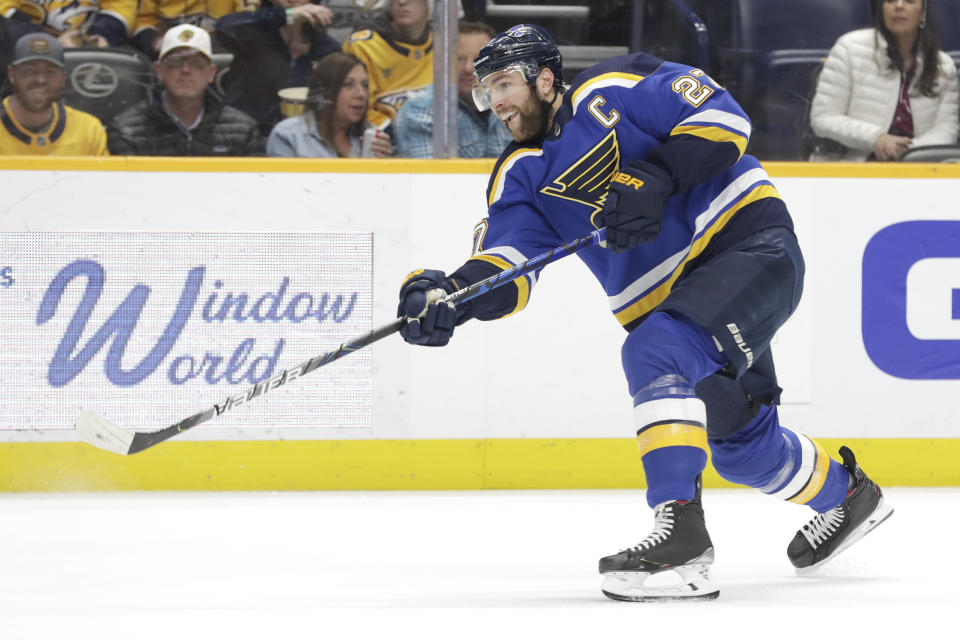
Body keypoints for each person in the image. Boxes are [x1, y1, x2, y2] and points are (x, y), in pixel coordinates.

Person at [395, 24, 894, 602]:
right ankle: (849, 495)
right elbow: (507, 268)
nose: (496, 102)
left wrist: (655, 174)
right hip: (682, 310)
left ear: (546, 78)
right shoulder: (519, 174)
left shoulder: (615, 86)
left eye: (504, 84)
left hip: (747, 247)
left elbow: (724, 118)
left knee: (653, 350)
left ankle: (682, 539)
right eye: (487, 92)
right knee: (743, 446)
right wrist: (450, 297)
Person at [810, 0, 958, 161]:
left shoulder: (943, 65)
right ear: (882, 10)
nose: (899, 6)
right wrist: (876, 138)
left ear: (923, 14)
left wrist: (910, 152)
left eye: (909, 1)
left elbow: (947, 128)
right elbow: (823, 117)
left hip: (918, 169)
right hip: (854, 168)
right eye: (890, 0)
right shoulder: (849, 48)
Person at [107, 24, 263, 156]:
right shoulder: (126, 131)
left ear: (211, 73)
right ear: (159, 70)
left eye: (196, 62)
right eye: (176, 61)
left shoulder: (243, 130)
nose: (186, 70)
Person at [215, 0, 341, 134]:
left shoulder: (327, 48)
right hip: (242, 136)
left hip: (299, 140)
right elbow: (223, 27)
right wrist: (287, 15)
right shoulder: (255, 27)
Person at [395, 20, 512, 158]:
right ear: (443, 62)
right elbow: (430, 177)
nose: (469, 68)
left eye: (479, 59)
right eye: (459, 59)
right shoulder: (421, 112)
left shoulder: (513, 103)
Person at [266, 51, 390, 157]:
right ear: (325, 91)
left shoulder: (373, 136)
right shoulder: (288, 135)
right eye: (348, 84)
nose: (361, 94)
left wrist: (384, 165)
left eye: (364, 85)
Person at [1, 32, 108, 155]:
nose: (40, 80)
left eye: (50, 72)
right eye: (30, 71)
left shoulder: (88, 129)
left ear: (63, 77)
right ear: (12, 74)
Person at [341, 0, 433, 129]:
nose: (402, 2)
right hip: (383, 142)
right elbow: (354, 110)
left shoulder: (447, 45)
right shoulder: (363, 46)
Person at [131, 0, 255, 58]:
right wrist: (154, 41)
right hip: (168, 54)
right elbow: (143, 21)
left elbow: (245, 25)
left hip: (217, 53)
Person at [0, 0, 137, 47]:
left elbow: (120, 9)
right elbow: (4, 11)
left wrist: (101, 36)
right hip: (26, 45)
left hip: (87, 44)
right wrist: (47, 40)